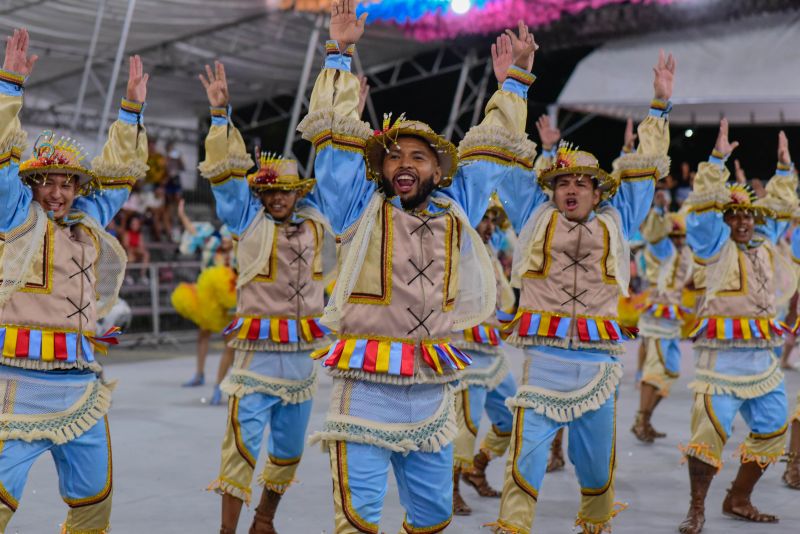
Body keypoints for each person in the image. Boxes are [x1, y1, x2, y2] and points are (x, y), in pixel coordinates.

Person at [298, 3, 537, 532]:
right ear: (380, 169)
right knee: (357, 520)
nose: (405, 164)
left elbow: (491, 150)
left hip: (431, 388)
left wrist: (514, 84)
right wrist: (338, 54)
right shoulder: (358, 206)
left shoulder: (459, 207)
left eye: (419, 157)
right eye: (394, 156)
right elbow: (335, 140)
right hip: (365, 388)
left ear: (437, 169)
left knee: (433, 518)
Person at [490, 50, 674, 534]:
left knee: (596, 476)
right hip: (544, 363)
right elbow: (507, 153)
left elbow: (644, 170)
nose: (571, 189)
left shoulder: (620, 219)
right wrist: (512, 87)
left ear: (598, 192)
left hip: (597, 367)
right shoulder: (532, 213)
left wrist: (658, 106)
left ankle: (596, 528)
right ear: (551, 190)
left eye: (583, 183)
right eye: (563, 182)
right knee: (522, 470)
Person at [0, 29, 149, 532]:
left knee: (94, 505)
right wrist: (10, 87)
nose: (58, 193)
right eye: (47, 181)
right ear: (31, 184)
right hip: (14, 385)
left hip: (81, 387)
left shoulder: (89, 221)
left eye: (67, 183)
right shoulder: (15, 216)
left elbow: (121, 174)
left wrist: (130, 112)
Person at [197, 61, 333, 534]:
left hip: (300, 363)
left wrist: (345, 115)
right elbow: (228, 180)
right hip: (255, 360)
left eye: (287, 191)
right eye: (270, 191)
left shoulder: (318, 223)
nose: (278, 198)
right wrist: (220, 115)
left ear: (298, 193)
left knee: (289, 453)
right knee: (239, 451)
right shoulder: (246, 220)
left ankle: (264, 520)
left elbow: (341, 184)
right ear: (261, 193)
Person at [678, 124, 797, 534]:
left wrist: (784, 170)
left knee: (773, 431)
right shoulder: (713, 246)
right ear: (724, 219)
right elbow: (702, 211)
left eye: (749, 214)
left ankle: (739, 497)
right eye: (734, 215)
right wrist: (715, 163)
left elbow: (782, 210)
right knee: (708, 435)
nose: (743, 221)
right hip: (721, 363)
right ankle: (697, 508)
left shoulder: (766, 245)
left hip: (762, 361)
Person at [451, 198, 518, 516]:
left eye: (494, 220)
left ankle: (476, 468)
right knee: (465, 427)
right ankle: (450, 490)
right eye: (484, 218)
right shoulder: (459, 247)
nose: (490, 226)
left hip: (492, 352)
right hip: (465, 355)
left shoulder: (489, 251)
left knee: (512, 418)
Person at [630, 198, 692, 443]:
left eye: (681, 237)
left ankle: (643, 419)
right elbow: (655, 233)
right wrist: (657, 209)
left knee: (671, 371)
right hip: (656, 316)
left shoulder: (682, 252)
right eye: (674, 237)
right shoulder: (660, 247)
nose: (678, 241)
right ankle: (642, 420)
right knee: (654, 371)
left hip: (672, 318)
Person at [171, 198, 236, 405]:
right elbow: (192, 230)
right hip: (208, 294)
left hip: (228, 293)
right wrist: (182, 216)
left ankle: (221, 384)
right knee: (203, 334)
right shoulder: (208, 236)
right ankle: (200, 374)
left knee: (230, 340)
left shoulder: (236, 234)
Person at [122, 214, 150, 284]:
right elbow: (126, 246)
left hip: (136, 253)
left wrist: (137, 250)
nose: (135, 225)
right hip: (128, 254)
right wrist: (135, 249)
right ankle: (127, 276)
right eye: (133, 223)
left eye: (136, 224)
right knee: (130, 255)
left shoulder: (139, 234)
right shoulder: (126, 233)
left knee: (146, 254)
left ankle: (142, 276)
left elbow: (141, 246)